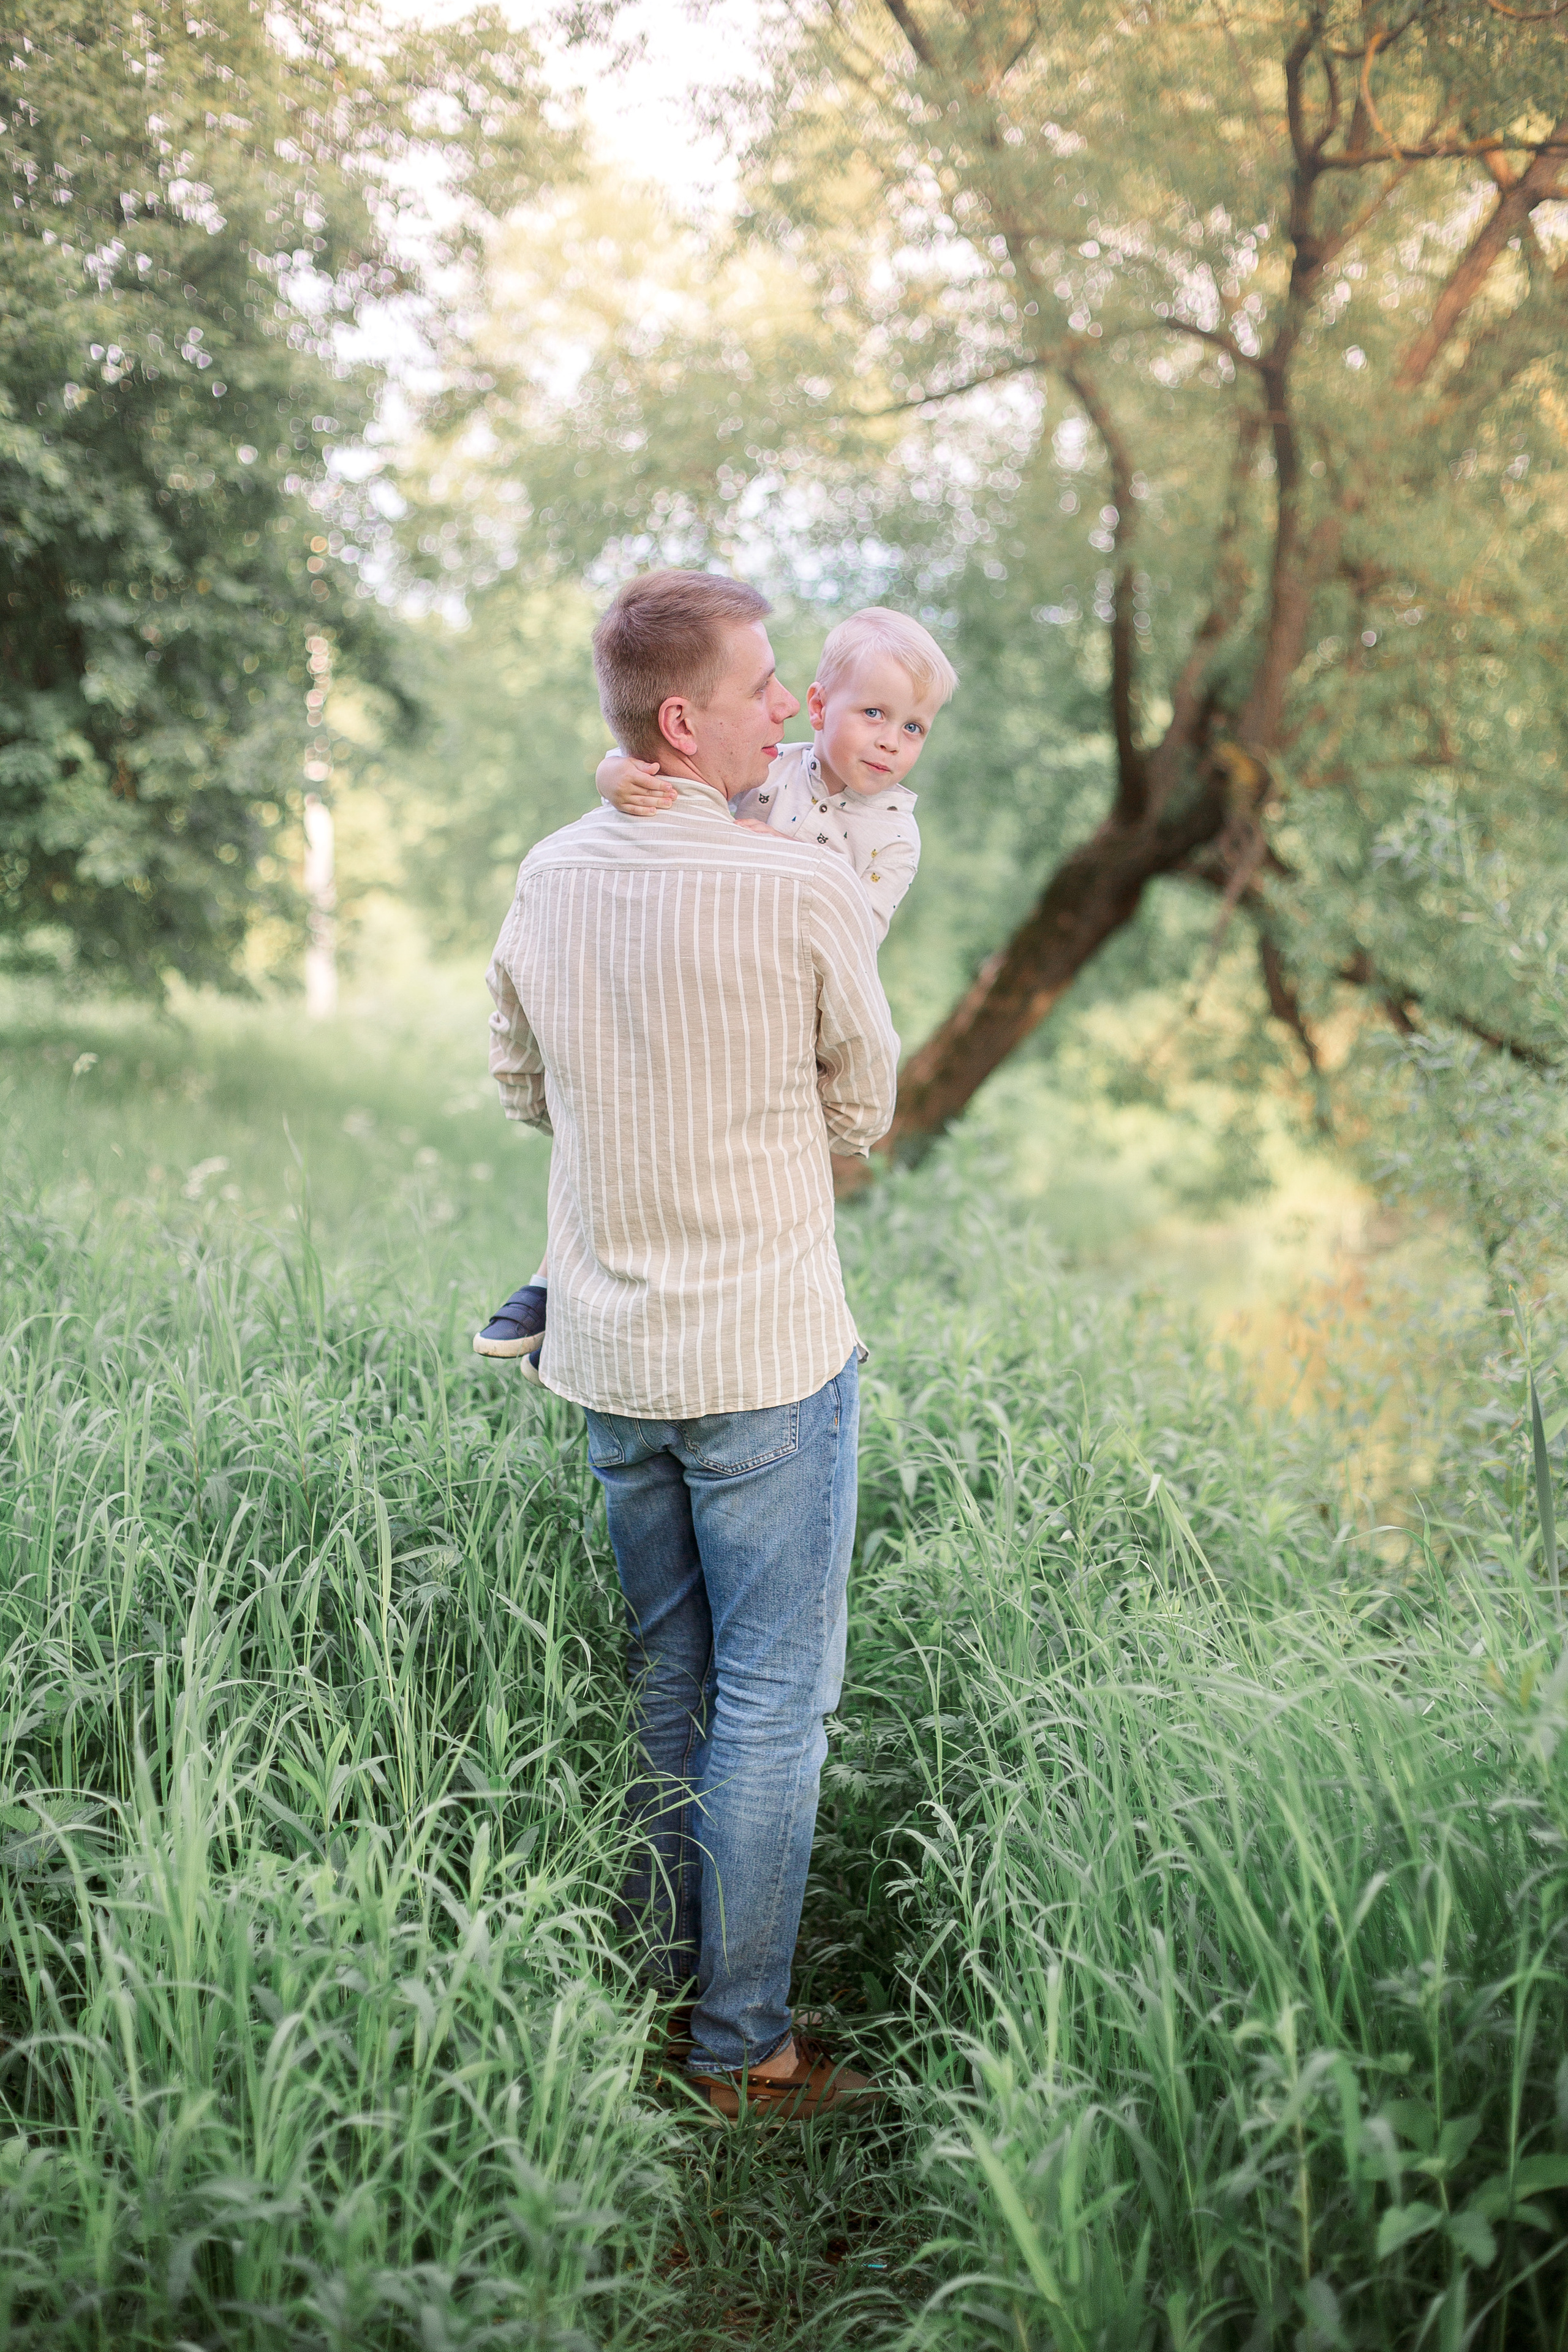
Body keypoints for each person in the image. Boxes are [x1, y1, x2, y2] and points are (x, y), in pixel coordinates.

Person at [483, 569, 901, 2118]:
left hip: (607, 1353)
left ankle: (672, 1993)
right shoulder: (795, 884)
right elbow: (865, 1102)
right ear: (683, 717)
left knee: (677, 1678)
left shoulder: (547, 871)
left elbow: (520, 1081)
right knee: (772, 1702)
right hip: (765, 1356)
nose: (792, 709)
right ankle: (741, 2052)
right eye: (764, 686)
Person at [473, 606, 956, 1370]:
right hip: (698, 976)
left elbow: (854, 934)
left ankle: (809, 1321)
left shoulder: (893, 832)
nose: (892, 742)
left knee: (759, 1156)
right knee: (632, 1129)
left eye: (915, 728)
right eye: (874, 714)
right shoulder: (771, 762)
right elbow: (665, 775)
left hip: (792, 999)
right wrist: (611, 774)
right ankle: (553, 1282)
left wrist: (785, 866)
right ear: (821, 705)